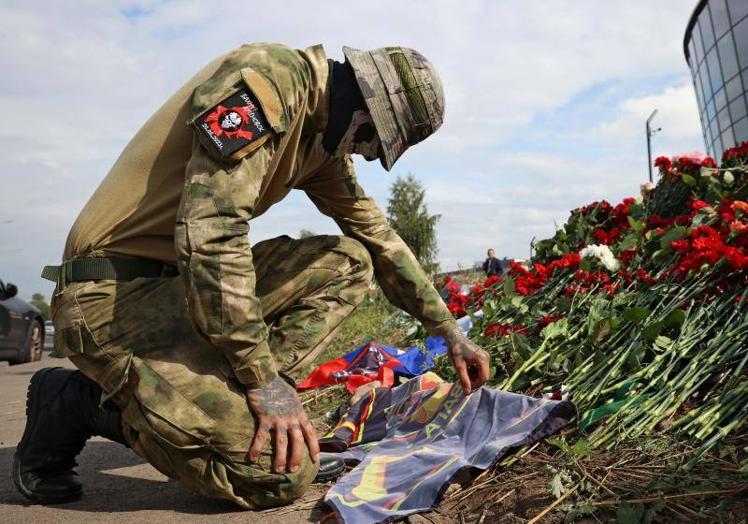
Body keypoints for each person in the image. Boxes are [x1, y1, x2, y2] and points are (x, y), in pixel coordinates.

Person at [14, 43, 490, 510]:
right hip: (110, 298)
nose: (363, 157)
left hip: (178, 290)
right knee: (275, 474)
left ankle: (243, 407)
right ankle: (80, 401)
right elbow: (213, 234)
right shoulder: (267, 82)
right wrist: (262, 379)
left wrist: (448, 331)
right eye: (371, 148)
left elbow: (378, 238)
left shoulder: (319, 145)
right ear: (364, 116)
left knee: (348, 262)